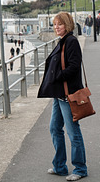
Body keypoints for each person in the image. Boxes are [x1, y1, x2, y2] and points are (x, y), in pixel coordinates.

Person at [37, 12, 88, 181]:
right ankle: (60, 166)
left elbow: (74, 66)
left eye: (59, 24)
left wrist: (57, 76)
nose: (56, 27)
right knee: (54, 128)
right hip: (59, 95)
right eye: (54, 25)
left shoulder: (71, 41)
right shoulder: (63, 41)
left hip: (68, 95)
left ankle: (80, 169)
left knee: (73, 133)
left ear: (67, 24)